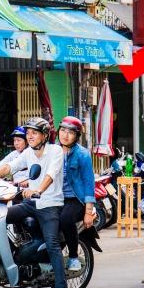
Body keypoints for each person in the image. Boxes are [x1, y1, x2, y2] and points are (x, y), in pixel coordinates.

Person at [0, 117, 69, 288]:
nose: (30, 136)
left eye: (34, 133)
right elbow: (9, 167)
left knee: (52, 243)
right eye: (28, 133)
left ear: (44, 135)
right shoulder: (27, 153)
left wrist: (39, 190)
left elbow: (51, 173)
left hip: (49, 203)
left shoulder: (55, 151)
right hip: (31, 203)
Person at [56, 117, 96, 272]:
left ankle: (73, 257)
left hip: (76, 199)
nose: (65, 135)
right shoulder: (53, 150)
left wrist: (88, 212)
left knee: (65, 219)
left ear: (76, 136)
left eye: (71, 132)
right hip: (56, 197)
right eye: (63, 130)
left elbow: (88, 183)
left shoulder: (82, 154)